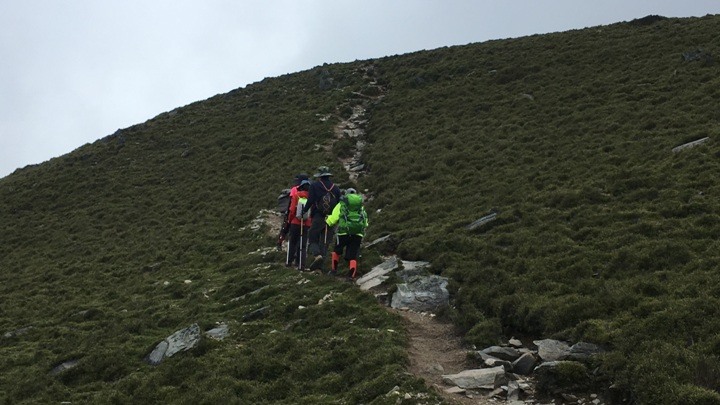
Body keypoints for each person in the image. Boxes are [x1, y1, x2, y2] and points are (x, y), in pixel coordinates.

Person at [303, 166, 342, 271]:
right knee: (325, 241)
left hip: (318, 216)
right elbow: (339, 205)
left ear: (319, 176)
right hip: (331, 219)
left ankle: (317, 255)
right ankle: (320, 268)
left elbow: (310, 200)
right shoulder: (336, 188)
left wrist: (304, 210)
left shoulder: (315, 186)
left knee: (312, 237)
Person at [326, 188, 368, 279]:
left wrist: (328, 222)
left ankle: (333, 271)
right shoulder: (360, 206)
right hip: (357, 233)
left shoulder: (342, 204)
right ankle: (351, 276)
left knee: (337, 251)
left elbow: (334, 218)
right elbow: (365, 221)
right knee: (353, 255)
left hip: (343, 232)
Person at [285, 179, 312, 269]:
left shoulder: (296, 195)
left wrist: (290, 220)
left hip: (295, 223)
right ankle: (301, 265)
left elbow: (292, 210)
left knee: (292, 242)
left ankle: (289, 262)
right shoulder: (311, 197)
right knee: (303, 245)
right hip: (306, 224)